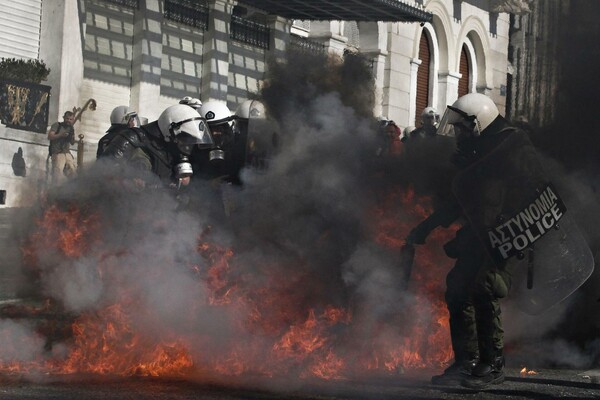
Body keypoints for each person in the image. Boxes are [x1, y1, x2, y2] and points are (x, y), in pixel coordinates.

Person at [407, 93, 520, 390]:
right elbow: (458, 204)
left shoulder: (503, 157)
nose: (457, 134)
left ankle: (493, 364)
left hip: (501, 236)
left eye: (462, 128)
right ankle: (466, 361)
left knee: (484, 287)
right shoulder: (475, 159)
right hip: (478, 236)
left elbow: (508, 203)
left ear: (479, 125)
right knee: (457, 287)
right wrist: (426, 227)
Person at [98, 104, 213, 188]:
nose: (187, 145)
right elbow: (105, 171)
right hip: (126, 209)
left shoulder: (174, 150)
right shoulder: (133, 139)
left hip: (159, 211)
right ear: (170, 131)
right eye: (185, 139)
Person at [47, 111, 76, 184]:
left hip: (66, 152)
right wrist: (60, 135)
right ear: (64, 118)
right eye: (67, 118)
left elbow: (72, 143)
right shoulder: (57, 125)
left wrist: (71, 137)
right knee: (58, 172)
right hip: (57, 152)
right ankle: (55, 190)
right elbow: (50, 136)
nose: (68, 121)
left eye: (70, 119)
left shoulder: (71, 128)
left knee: (72, 170)